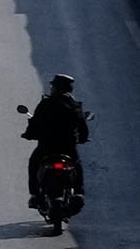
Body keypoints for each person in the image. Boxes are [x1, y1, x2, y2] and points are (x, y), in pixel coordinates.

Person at [22, 73, 91, 213]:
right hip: (68, 146)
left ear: (56, 88)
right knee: (76, 165)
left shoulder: (46, 103)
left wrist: (28, 135)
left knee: (34, 163)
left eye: (53, 86)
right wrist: (83, 138)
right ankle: (78, 193)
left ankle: (35, 195)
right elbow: (82, 125)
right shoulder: (74, 104)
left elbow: (35, 124)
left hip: (47, 146)